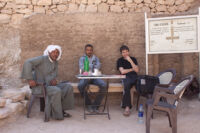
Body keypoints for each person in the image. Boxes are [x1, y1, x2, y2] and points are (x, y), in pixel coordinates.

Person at [21, 45, 74, 121]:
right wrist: (30, 79)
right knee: (57, 90)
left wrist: (54, 80)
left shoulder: (55, 62)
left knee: (68, 87)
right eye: (53, 52)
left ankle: (61, 109)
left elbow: (53, 75)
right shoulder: (42, 59)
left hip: (50, 85)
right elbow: (27, 62)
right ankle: (57, 114)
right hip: (40, 86)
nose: (55, 54)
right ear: (49, 52)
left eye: (57, 52)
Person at [78, 44, 106, 112]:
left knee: (104, 85)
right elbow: (82, 68)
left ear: (92, 51)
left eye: (90, 50)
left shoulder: (96, 58)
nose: (89, 51)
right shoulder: (82, 58)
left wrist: (88, 66)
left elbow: (98, 67)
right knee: (80, 86)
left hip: (94, 77)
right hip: (85, 77)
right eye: (87, 50)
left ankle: (95, 105)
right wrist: (92, 65)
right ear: (85, 51)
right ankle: (88, 104)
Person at [117, 45, 139, 116]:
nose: (125, 53)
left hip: (134, 77)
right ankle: (127, 107)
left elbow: (137, 70)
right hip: (125, 77)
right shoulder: (120, 60)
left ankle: (153, 102)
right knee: (127, 86)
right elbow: (122, 71)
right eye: (123, 52)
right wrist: (132, 69)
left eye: (126, 52)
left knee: (144, 83)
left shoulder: (133, 59)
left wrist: (130, 61)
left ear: (128, 52)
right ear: (121, 53)